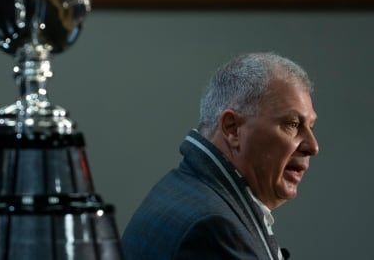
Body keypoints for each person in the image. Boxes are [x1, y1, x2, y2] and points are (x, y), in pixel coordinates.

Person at [122, 52, 320, 260]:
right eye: (292, 125)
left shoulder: (181, 189)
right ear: (232, 128)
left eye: (311, 127)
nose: (313, 146)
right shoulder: (214, 227)